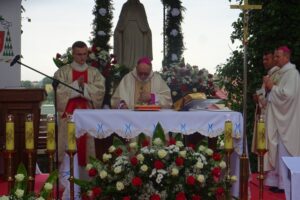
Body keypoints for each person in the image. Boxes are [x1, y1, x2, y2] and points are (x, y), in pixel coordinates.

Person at [54, 41, 105, 198]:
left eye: (84, 54)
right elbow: (58, 92)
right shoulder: (63, 72)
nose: (82, 57)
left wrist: (84, 88)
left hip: (87, 118)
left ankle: (86, 182)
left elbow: (100, 91)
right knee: (68, 148)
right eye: (78, 54)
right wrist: (77, 85)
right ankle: (67, 184)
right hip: (68, 118)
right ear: (73, 54)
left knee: (86, 149)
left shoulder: (94, 72)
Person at [263, 46, 300, 193]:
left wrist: (272, 87)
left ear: (286, 57)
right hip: (278, 120)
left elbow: (289, 96)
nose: (275, 59)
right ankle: (279, 182)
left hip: (288, 121)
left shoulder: (292, 74)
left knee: (286, 152)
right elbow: (272, 95)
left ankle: (288, 185)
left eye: (278, 56)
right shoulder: (280, 73)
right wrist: (268, 89)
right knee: (278, 151)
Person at [114, 0, 152, 70]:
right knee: (127, 50)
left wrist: (147, 29)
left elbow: (144, 20)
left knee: (139, 51)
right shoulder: (125, 5)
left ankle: (139, 67)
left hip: (139, 30)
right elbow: (121, 20)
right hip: (127, 29)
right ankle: (126, 68)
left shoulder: (140, 6)